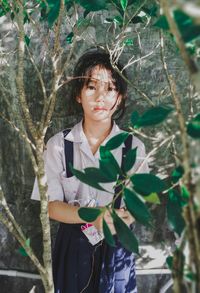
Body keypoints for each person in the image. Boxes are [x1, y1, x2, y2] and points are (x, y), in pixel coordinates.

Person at [31, 48, 149, 293]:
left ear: (121, 97)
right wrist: (92, 215)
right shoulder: (58, 146)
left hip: (117, 249)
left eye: (110, 88)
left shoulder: (133, 147)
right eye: (92, 86)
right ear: (78, 94)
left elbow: (136, 208)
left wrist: (126, 216)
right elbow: (50, 207)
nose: (101, 97)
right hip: (71, 248)